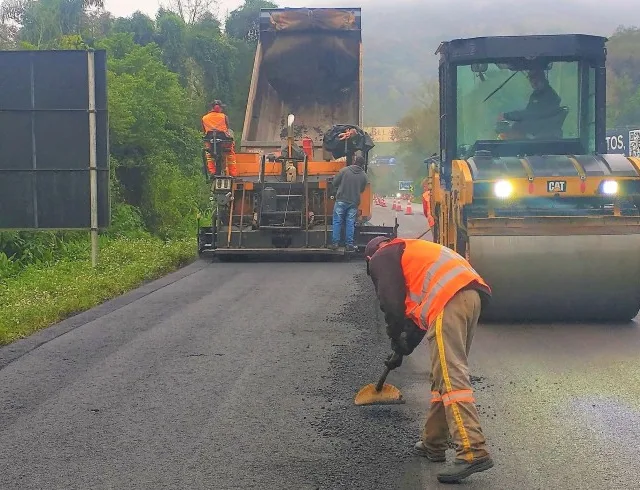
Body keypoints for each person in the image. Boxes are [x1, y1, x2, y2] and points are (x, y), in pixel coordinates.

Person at [364, 236, 494, 484]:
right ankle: (433, 443)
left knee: (451, 376)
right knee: (440, 374)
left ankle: (473, 449)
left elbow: (391, 304)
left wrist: (394, 336)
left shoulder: (381, 256)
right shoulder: (409, 252)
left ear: (371, 257)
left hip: (450, 300)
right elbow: (416, 319)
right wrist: (402, 349)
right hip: (469, 296)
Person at [499, 69, 562, 138]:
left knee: (515, 129)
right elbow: (529, 113)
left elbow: (531, 114)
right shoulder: (537, 94)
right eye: (531, 79)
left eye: (535, 79)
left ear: (542, 78)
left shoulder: (549, 96)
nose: (533, 83)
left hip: (543, 135)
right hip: (538, 131)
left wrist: (506, 116)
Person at [329, 155, 368, 252]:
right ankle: (349, 244)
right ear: (362, 165)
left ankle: (335, 243)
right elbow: (362, 189)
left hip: (341, 200)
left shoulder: (344, 170)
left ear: (354, 161)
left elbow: (335, 182)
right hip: (354, 202)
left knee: (337, 221)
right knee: (350, 223)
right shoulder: (364, 175)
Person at [201, 101, 238, 177]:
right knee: (230, 153)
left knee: (209, 155)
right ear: (219, 108)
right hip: (224, 142)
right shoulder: (223, 116)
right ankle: (233, 173)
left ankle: (212, 171)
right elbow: (227, 128)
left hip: (210, 142)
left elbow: (204, 131)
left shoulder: (204, 118)